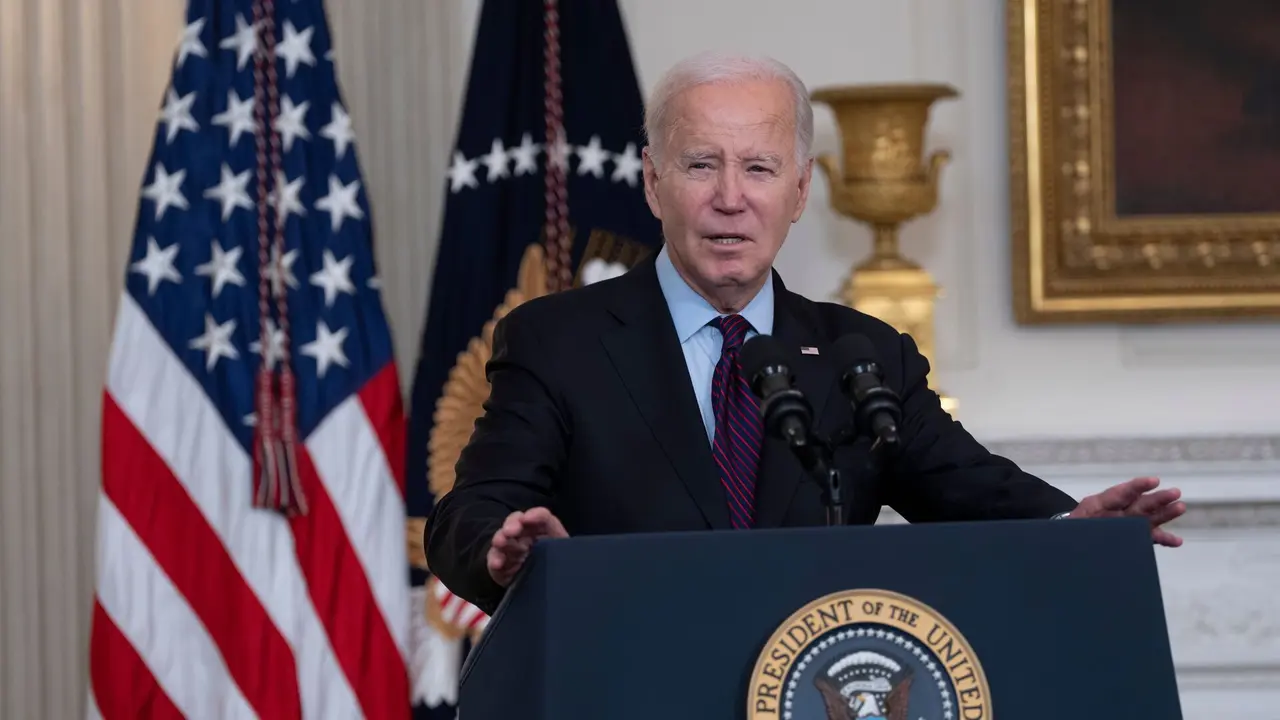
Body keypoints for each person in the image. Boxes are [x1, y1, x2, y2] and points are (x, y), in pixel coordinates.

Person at [424, 52, 1186, 616]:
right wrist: (502, 551)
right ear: (654, 182)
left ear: (799, 189)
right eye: (701, 165)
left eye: (759, 168)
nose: (730, 198)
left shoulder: (863, 355)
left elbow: (968, 487)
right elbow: (471, 512)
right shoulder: (558, 340)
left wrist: (1071, 529)